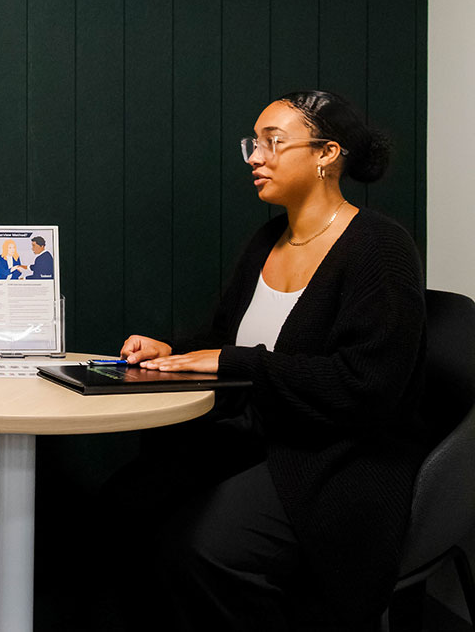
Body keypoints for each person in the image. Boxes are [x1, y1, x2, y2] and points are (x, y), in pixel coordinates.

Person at [106, 91, 427, 630]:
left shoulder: (379, 246)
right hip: (259, 436)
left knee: (203, 548)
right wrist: (174, 350)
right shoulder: (268, 239)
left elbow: (367, 386)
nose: (255, 157)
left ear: (326, 154)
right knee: (125, 505)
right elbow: (227, 338)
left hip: (336, 456)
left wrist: (240, 364)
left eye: (273, 143)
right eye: (253, 144)